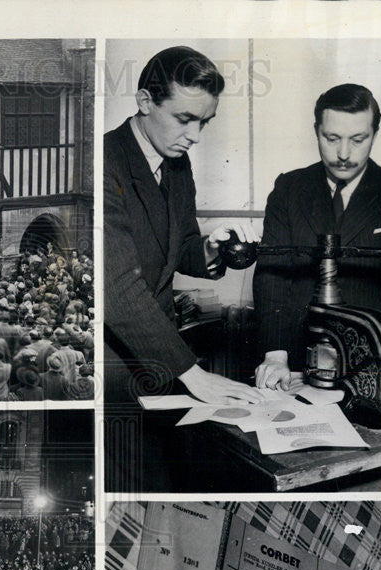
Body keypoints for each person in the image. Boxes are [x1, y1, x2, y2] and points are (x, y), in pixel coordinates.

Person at [103, 46, 263, 407]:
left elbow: (176, 248)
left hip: (162, 360)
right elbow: (116, 285)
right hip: (114, 366)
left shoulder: (176, 163)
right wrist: (192, 374)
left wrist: (209, 247)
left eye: (204, 122)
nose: (195, 135)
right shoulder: (104, 162)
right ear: (145, 101)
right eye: (184, 118)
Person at [252, 83, 381, 389]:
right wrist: (276, 355)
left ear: (374, 133)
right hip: (295, 365)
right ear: (316, 131)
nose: (344, 154)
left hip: (370, 364)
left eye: (358, 139)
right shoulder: (289, 189)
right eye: (331, 138)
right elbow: (273, 276)